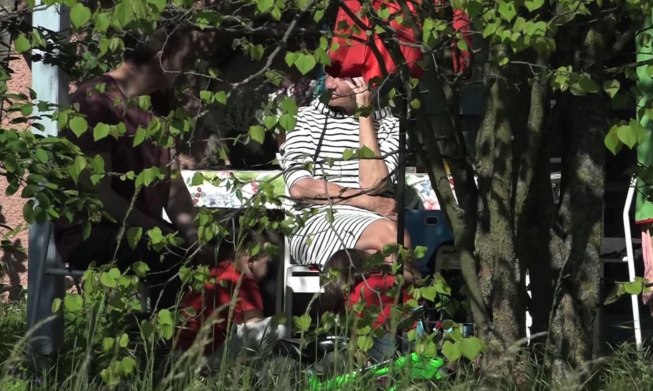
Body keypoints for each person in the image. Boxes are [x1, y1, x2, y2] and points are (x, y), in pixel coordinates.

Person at [54, 29, 203, 310]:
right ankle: (157, 349)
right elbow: (100, 197)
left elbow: (173, 187)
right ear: (160, 58)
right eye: (181, 61)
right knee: (170, 254)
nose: (184, 71)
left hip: (141, 228)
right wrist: (164, 233)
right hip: (91, 232)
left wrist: (196, 238)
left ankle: (238, 340)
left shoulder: (156, 108)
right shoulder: (94, 101)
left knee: (221, 248)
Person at [279, 75, 414, 274]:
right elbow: (301, 187)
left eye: (342, 78)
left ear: (368, 81)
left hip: (372, 226)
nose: (330, 85)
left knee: (384, 259)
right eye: (328, 75)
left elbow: (373, 183)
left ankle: (354, 301)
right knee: (393, 241)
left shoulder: (390, 125)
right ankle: (415, 302)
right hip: (315, 226)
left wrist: (364, 115)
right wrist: (370, 203)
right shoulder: (303, 118)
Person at [175, 229, 286, 370]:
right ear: (251, 261)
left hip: (180, 355)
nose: (268, 271)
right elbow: (253, 331)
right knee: (279, 325)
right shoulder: (244, 283)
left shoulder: (214, 272)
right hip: (206, 358)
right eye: (267, 264)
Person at [319, 248, 413, 362]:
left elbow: (357, 334)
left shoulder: (356, 294)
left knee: (336, 356)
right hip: (414, 337)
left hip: (387, 346)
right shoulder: (392, 278)